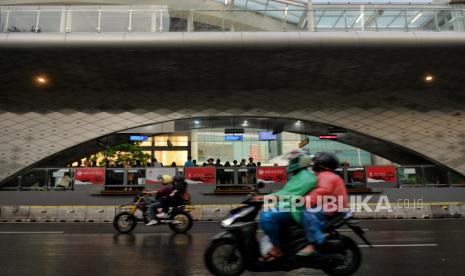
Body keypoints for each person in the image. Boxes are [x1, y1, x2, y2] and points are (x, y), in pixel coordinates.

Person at [257, 149, 317, 262]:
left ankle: (277, 248)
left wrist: (264, 198)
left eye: (293, 161)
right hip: (291, 206)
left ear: (301, 161)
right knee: (266, 211)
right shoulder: (299, 175)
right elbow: (286, 193)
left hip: (296, 211)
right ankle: (280, 243)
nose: (290, 163)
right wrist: (268, 199)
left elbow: (286, 194)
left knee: (267, 217)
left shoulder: (305, 177)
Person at [297, 152, 348, 256]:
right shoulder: (326, 175)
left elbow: (321, 192)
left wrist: (303, 201)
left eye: (315, 161)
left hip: (333, 206)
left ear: (322, 163)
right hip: (331, 205)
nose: (313, 163)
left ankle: (316, 240)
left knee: (308, 212)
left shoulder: (326, 176)